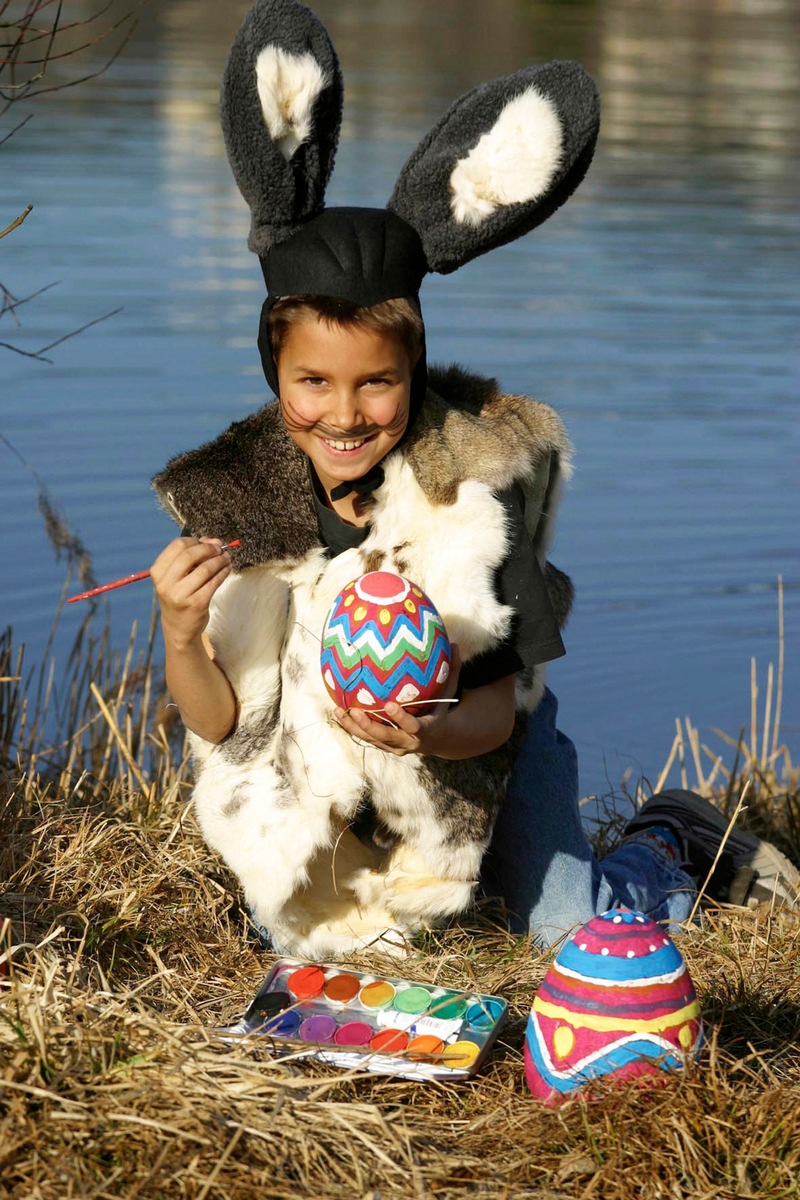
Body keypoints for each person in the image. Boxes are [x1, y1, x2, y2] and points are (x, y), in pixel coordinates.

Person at [150, 0, 799, 957]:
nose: (344, 413)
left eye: (378, 383)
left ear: (414, 375)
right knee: (311, 940)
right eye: (312, 383)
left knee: (572, 934)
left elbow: (502, 704)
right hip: (327, 775)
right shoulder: (244, 509)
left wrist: (435, 735)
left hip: (487, 752)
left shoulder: (474, 502)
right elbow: (224, 724)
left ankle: (672, 842)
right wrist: (178, 631)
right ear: (273, 376)